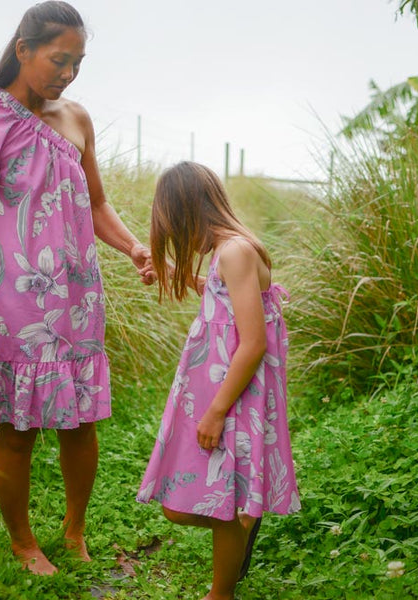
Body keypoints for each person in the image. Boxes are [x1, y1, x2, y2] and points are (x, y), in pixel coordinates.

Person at [0, 1, 152, 576]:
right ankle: (23, 543)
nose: (68, 73)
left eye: (78, 62)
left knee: (82, 422)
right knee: (19, 426)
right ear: (23, 48)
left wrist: (132, 246)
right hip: (12, 302)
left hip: (78, 297)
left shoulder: (76, 118)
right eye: (59, 59)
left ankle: (75, 531)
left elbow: (98, 204)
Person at [136, 162, 301, 600]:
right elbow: (222, 293)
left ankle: (221, 590)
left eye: (173, 224)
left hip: (232, 397)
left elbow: (252, 343)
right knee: (181, 505)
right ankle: (241, 519)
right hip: (222, 390)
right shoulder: (226, 253)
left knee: (212, 505)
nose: (174, 233)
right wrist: (175, 271)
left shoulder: (235, 251)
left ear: (187, 211)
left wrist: (214, 412)